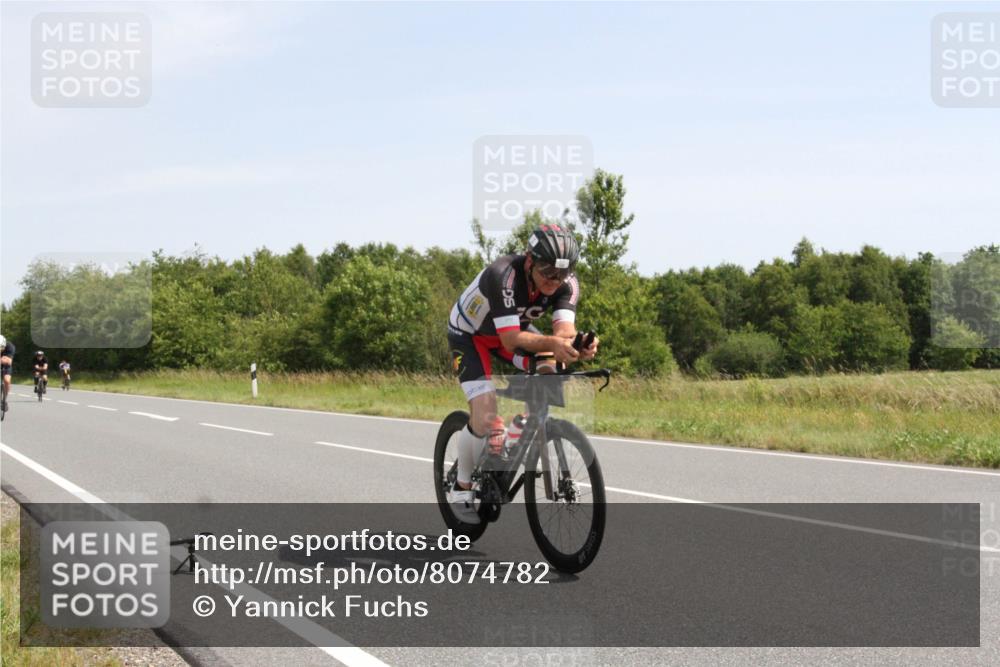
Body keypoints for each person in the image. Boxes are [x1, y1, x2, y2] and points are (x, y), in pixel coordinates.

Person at [446, 224, 598, 523]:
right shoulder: (502, 274)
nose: (555, 281)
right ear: (529, 260)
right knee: (484, 410)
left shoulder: (567, 283)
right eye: (547, 273)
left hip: (511, 331)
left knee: (549, 364)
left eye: (562, 274)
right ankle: (461, 487)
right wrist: (554, 343)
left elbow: (563, 331)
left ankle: (524, 425)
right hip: (471, 335)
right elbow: (510, 341)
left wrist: (577, 344)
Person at [0, 335, 13, 411]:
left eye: (1, 347)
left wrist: (4, 359)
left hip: (6, 366)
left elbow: (8, 361)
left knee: (7, 381)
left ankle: (4, 400)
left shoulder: (10, 346)